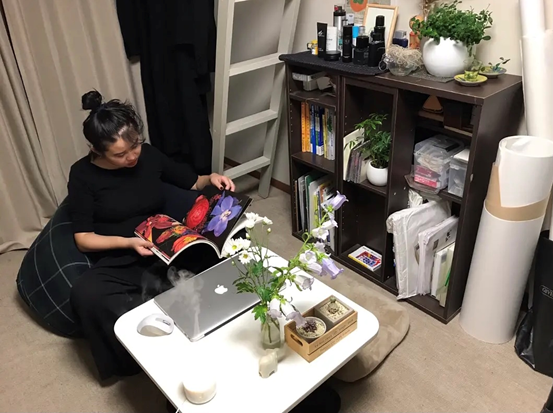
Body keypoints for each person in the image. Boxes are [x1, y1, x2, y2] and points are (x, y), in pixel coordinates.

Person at [67, 90, 235, 381]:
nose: (132, 156)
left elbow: (194, 182)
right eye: (120, 154)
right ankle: (134, 363)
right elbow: (83, 237)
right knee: (86, 295)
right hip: (124, 252)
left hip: (167, 243)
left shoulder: (148, 155)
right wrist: (128, 243)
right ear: (96, 150)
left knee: (224, 256)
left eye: (135, 145)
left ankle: (213, 328)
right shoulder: (82, 175)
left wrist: (213, 178)